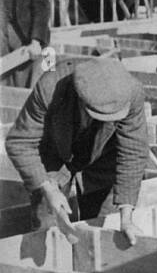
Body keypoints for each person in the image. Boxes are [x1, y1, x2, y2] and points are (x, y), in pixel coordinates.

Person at [4, 57, 147, 244]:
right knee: (46, 226)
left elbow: (133, 151)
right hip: (54, 154)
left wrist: (127, 217)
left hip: (103, 157)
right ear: (81, 101)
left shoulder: (131, 92)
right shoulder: (50, 88)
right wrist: (48, 188)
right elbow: (20, 142)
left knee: (106, 231)